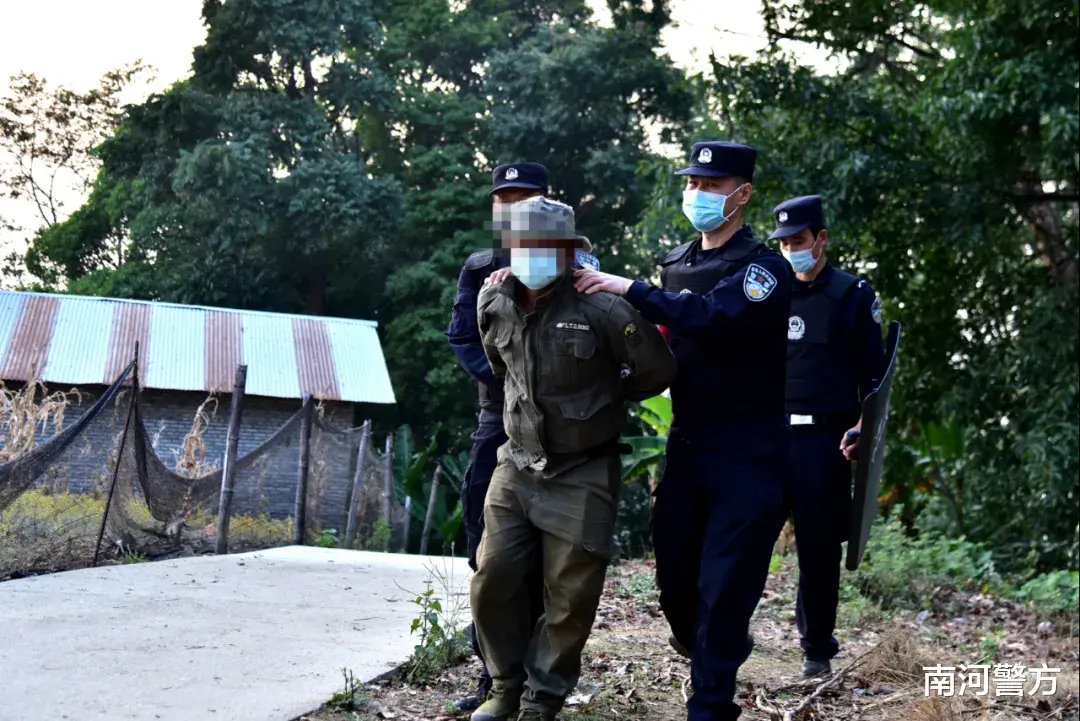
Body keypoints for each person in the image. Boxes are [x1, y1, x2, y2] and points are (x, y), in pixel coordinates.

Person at [572, 141, 792, 721]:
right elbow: (656, 339)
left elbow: (714, 317)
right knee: (674, 581)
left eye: (711, 186)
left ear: (742, 194)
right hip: (689, 445)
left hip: (750, 452)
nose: (697, 193)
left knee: (724, 587)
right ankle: (716, 651)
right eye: (692, 182)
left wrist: (631, 289)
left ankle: (711, 703)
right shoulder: (678, 263)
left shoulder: (765, 269)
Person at [470, 196, 676, 721]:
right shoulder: (492, 301)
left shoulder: (602, 307)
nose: (532, 255)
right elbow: (500, 364)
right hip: (516, 463)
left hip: (583, 468)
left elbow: (656, 372)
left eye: (545, 247)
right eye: (523, 245)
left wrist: (600, 400)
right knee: (493, 577)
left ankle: (542, 699)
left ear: (565, 251)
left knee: (570, 594)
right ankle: (504, 686)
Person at [445, 161, 550, 712]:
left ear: (548, 202)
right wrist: (512, 383)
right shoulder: (479, 267)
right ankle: (492, 676)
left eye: (524, 197)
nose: (511, 207)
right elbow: (463, 339)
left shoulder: (575, 263)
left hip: (558, 432)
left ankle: (538, 677)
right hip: (497, 424)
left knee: (544, 563)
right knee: (487, 557)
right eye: (502, 198)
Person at [769, 194, 885, 678]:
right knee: (744, 540)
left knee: (819, 549)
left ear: (821, 238)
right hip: (768, 438)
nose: (791, 250)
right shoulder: (767, 292)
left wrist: (864, 426)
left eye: (799, 240)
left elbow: (876, 379)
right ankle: (725, 638)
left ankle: (817, 648)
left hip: (825, 443)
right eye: (784, 243)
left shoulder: (853, 295)